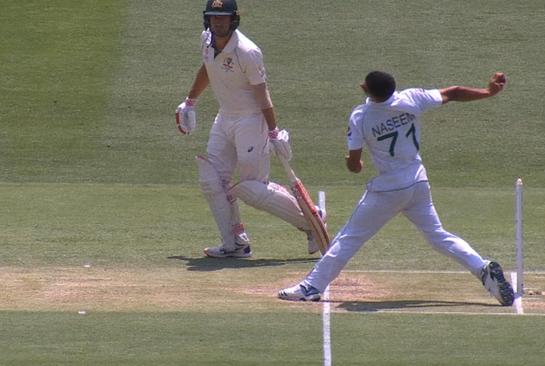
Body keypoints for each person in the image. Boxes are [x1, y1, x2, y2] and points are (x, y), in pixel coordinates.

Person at [278, 70, 515, 306]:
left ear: (366, 90)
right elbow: (453, 93)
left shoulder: (361, 116)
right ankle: (482, 269)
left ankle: (311, 287)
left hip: (389, 189)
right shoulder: (412, 98)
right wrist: (488, 92)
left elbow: (355, 165)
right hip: (417, 181)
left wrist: (354, 163)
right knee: (438, 236)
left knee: (349, 238)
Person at [175, 0, 322, 258]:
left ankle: (310, 222)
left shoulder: (247, 51)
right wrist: (190, 101)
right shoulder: (206, 39)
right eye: (213, 17)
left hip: (251, 121)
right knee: (212, 181)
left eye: (223, 18)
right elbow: (208, 69)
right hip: (225, 118)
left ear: (234, 19)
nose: (217, 22)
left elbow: (262, 94)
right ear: (206, 19)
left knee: (252, 189)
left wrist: (274, 131)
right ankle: (235, 243)